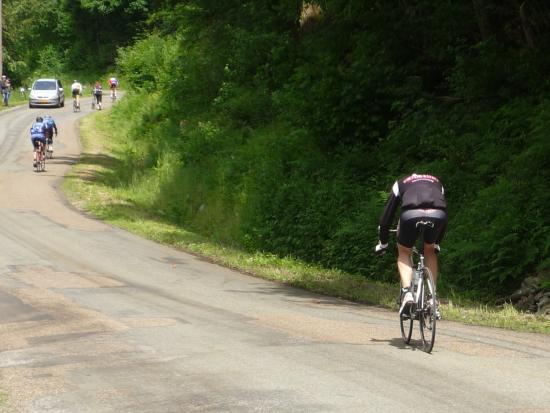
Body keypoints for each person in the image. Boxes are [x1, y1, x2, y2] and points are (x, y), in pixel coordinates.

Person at [375, 173, 447, 317]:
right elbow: (443, 209)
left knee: (404, 251)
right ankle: (432, 298)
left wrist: (383, 243)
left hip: (411, 215)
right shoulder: (437, 182)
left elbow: (386, 217)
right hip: (438, 215)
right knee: (430, 251)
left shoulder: (399, 183)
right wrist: (437, 243)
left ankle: (407, 294)